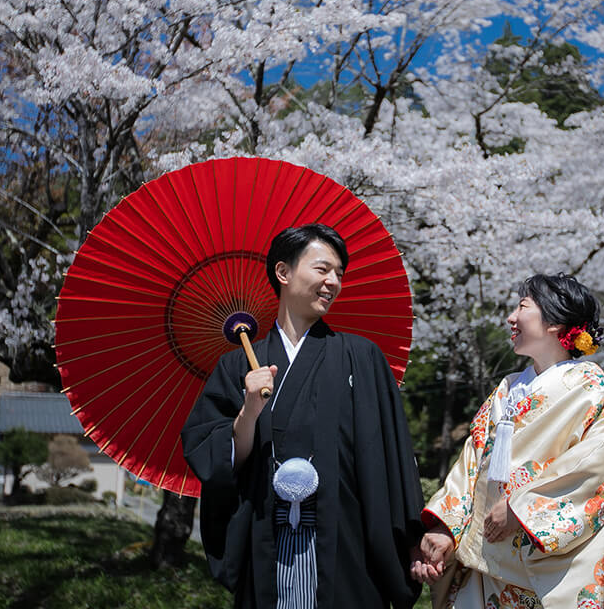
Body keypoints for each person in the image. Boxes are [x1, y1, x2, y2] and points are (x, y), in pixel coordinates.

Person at [182, 223, 424, 609]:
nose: (333, 282)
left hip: (346, 542)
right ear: (283, 273)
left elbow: (393, 458)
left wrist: (413, 539)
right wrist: (249, 410)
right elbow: (217, 461)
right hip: (268, 537)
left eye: (339, 274)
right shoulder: (236, 367)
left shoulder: (360, 358)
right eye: (322, 269)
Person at [410, 273, 604, 609]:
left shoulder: (592, 392)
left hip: (543, 568)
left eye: (522, 307)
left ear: (555, 323)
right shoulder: (508, 388)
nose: (511, 317)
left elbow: (600, 468)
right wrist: (447, 527)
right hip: (482, 562)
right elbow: (470, 467)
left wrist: (523, 509)